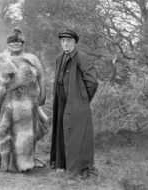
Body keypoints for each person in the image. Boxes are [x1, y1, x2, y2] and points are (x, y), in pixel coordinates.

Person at [0, 28, 46, 172]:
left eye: (18, 41)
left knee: (26, 135)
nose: (15, 44)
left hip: (28, 103)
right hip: (8, 103)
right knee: (4, 131)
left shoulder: (32, 58)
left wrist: (42, 97)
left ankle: (25, 161)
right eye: (12, 42)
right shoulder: (2, 60)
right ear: (8, 44)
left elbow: (41, 77)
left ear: (23, 43)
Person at [50, 29, 98, 178]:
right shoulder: (60, 58)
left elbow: (92, 82)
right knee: (61, 131)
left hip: (76, 103)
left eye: (69, 41)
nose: (65, 43)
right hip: (61, 101)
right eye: (63, 41)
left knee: (78, 134)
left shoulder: (82, 57)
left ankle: (79, 167)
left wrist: (82, 99)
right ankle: (61, 164)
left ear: (75, 42)